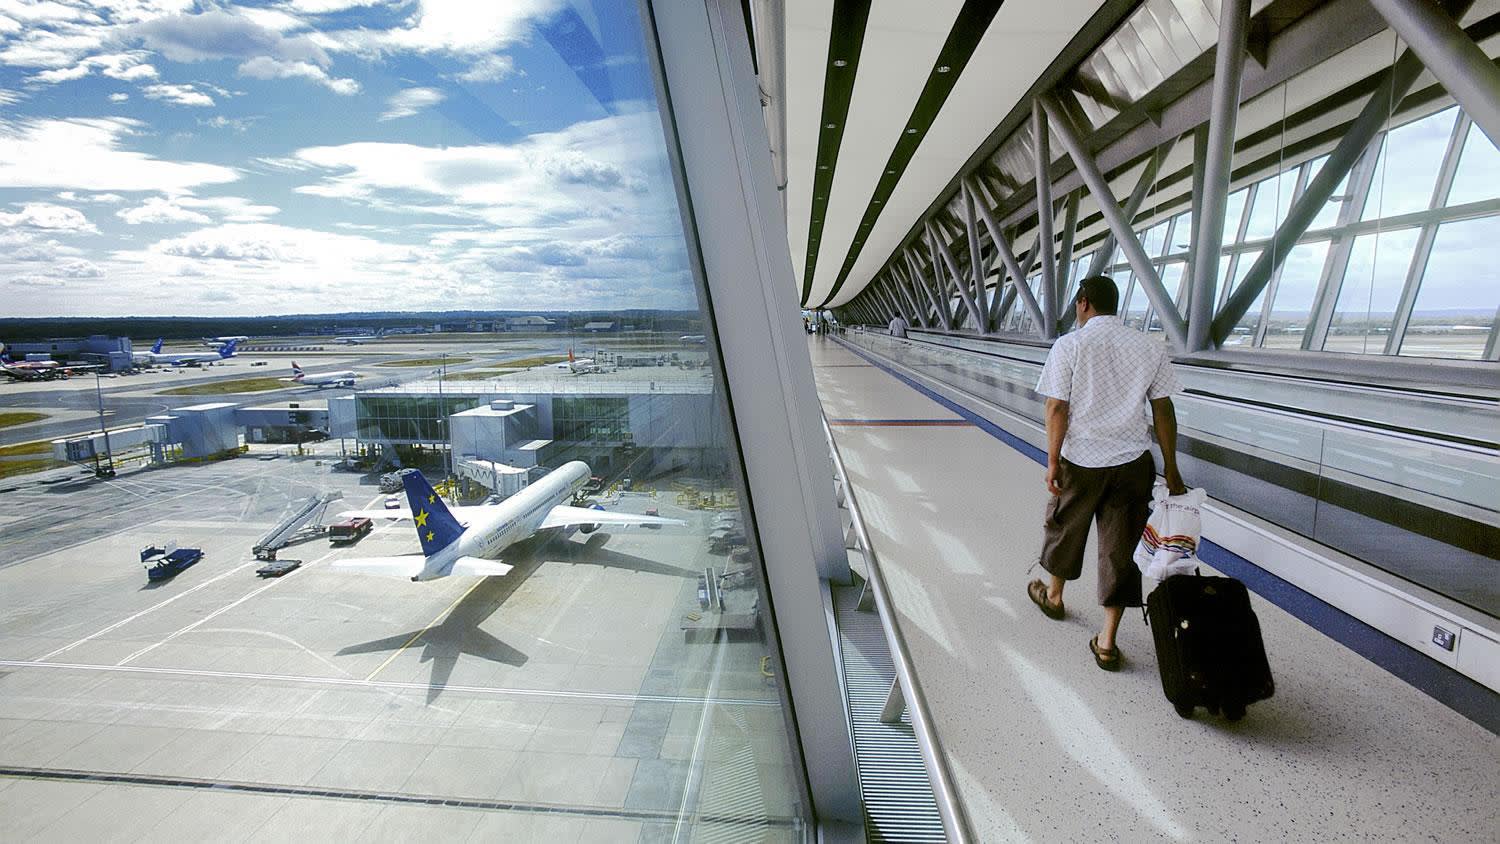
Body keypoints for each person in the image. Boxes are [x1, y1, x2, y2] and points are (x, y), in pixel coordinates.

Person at [1026, 275, 1185, 671]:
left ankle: (1055, 596)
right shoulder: (1149, 347)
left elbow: (1056, 408)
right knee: (1120, 548)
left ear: (1083, 303)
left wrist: (1051, 460)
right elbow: (1163, 410)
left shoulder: (1071, 345)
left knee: (1065, 527)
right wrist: (1172, 468)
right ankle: (1108, 642)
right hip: (1132, 463)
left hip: (1081, 460)